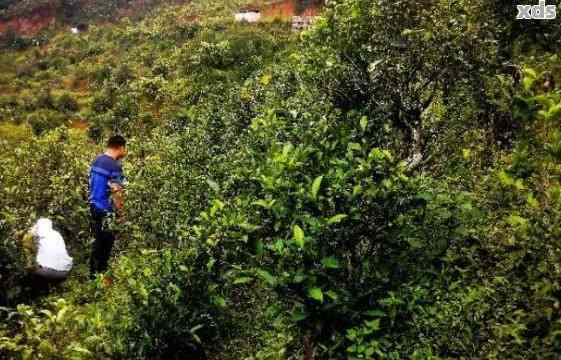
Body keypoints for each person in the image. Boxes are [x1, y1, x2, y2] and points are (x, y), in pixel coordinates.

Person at [89, 135, 127, 279]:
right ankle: (100, 276)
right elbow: (116, 191)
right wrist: (121, 212)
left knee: (98, 241)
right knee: (106, 245)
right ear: (120, 147)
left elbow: (92, 183)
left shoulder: (97, 160)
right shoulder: (114, 166)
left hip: (94, 206)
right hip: (106, 210)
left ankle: (93, 275)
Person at [28, 218, 73, 288]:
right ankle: (54, 286)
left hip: (47, 273)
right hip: (65, 272)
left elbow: (28, 239)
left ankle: (40, 290)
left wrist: (32, 230)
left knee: (31, 269)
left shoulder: (40, 237)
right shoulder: (57, 234)